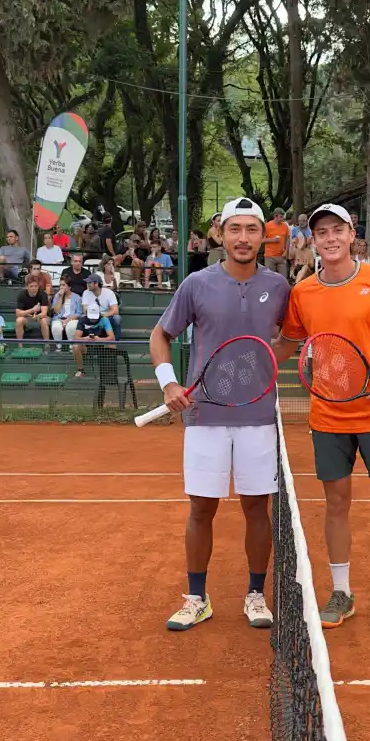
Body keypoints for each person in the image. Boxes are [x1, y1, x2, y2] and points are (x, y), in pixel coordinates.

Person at [273, 202, 370, 632]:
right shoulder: (303, 292)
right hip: (328, 417)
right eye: (321, 232)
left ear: (351, 232)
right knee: (336, 503)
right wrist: (250, 358)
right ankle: (341, 592)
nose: (330, 238)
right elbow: (287, 344)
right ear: (313, 240)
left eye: (336, 230)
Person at [149, 197, 290, 632]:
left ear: (263, 235)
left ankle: (255, 595)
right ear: (220, 234)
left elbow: (287, 341)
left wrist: (260, 361)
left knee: (256, 508)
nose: (243, 238)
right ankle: (197, 597)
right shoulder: (196, 284)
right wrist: (170, 383)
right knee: (201, 509)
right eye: (235, 229)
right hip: (204, 416)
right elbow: (161, 333)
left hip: (259, 416)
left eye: (251, 229)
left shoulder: (281, 288)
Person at [73, 302, 115, 380]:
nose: (93, 319)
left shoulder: (104, 320)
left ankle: (110, 371)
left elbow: (112, 337)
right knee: (75, 346)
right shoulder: (82, 320)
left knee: (112, 345)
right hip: (86, 345)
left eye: (95, 317)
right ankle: (81, 370)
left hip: (102, 343)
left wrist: (100, 339)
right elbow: (76, 337)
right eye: (91, 317)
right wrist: (85, 338)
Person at [51, 279, 83, 362]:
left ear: (69, 287)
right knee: (56, 327)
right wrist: (60, 297)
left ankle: (71, 348)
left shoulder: (77, 297)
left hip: (72, 318)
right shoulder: (57, 296)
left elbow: (79, 313)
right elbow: (56, 311)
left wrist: (69, 319)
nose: (61, 287)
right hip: (59, 318)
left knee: (71, 326)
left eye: (63, 285)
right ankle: (58, 347)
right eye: (60, 285)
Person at [82, 273, 121, 338]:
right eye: (87, 282)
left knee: (117, 318)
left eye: (89, 283)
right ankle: (85, 343)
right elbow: (84, 310)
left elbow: (115, 311)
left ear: (96, 284)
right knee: (82, 317)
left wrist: (102, 316)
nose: (87, 284)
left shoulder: (109, 293)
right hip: (91, 316)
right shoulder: (86, 292)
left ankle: (115, 342)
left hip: (106, 316)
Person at [15, 274, 50, 346]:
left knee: (44, 320)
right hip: (27, 317)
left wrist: (37, 316)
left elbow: (44, 313)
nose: (34, 288)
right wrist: (32, 310)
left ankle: (47, 345)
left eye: (36, 286)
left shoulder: (43, 294)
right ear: (27, 287)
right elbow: (18, 313)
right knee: (19, 320)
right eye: (31, 286)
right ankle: (20, 345)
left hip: (40, 317)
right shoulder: (22, 295)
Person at [263, 208, 290, 278]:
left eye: (283, 216)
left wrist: (286, 251)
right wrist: (272, 240)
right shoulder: (267, 226)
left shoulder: (285, 226)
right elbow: (261, 240)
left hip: (282, 256)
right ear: (275, 216)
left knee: (283, 278)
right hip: (270, 257)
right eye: (281, 217)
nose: (282, 219)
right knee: (270, 279)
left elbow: (287, 239)